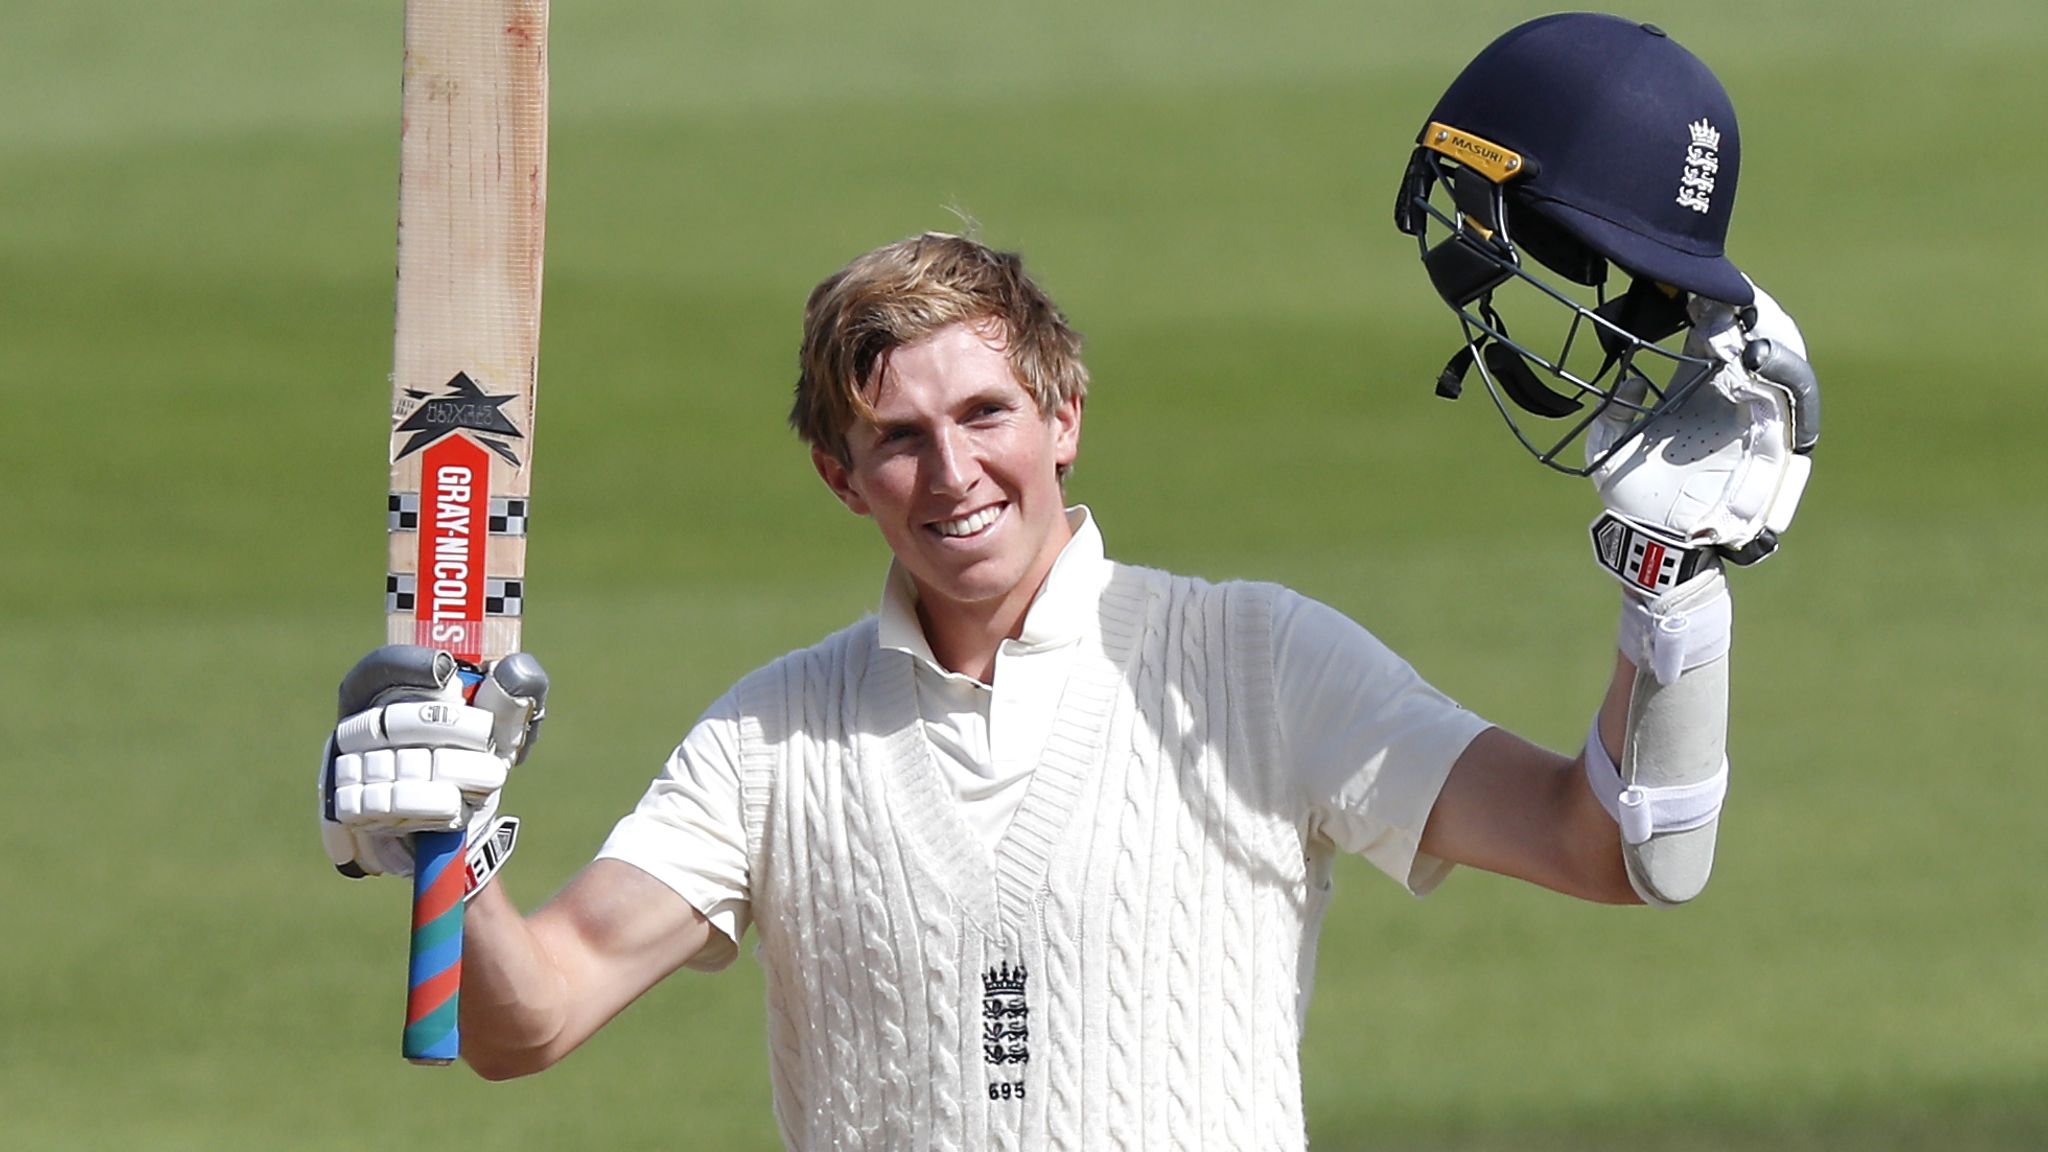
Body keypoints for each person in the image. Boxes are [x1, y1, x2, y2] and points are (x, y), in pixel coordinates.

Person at [318, 13, 1817, 1150]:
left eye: (985, 418)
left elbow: (1611, 846)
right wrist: (451, 856)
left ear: (1064, 416)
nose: (953, 474)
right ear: (841, 478)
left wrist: (1672, 603)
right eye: (897, 441)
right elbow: (531, 1019)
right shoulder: (772, 741)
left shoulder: (1255, 662)